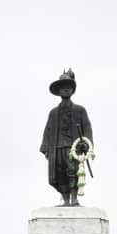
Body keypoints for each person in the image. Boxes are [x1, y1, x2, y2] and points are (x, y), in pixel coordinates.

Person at [40, 68, 93, 207]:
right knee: (59, 173)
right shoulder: (53, 113)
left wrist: (87, 144)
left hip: (73, 147)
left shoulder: (80, 110)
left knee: (73, 171)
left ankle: (74, 198)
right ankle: (65, 199)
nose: (65, 89)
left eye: (68, 87)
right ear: (58, 91)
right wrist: (45, 147)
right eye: (62, 87)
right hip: (57, 147)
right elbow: (48, 130)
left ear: (72, 90)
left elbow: (87, 127)